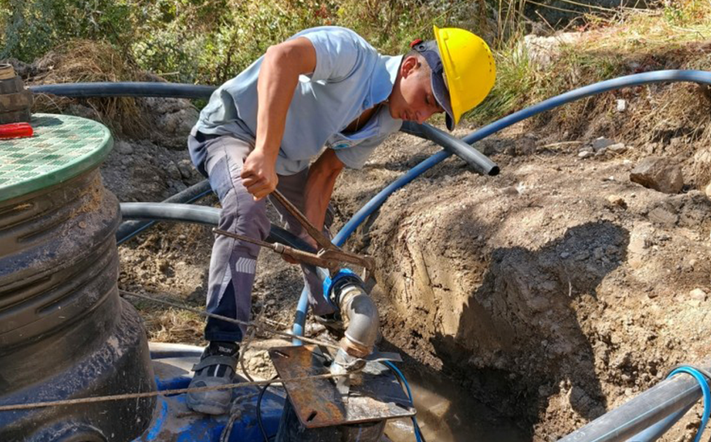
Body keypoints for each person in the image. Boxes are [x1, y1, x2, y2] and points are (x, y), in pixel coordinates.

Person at [186, 25, 496, 414]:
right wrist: (264, 150)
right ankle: (220, 349)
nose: (422, 115)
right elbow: (282, 57)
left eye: (435, 112)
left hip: (286, 162)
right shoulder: (351, 55)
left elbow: (325, 173)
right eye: (427, 99)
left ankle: (333, 319)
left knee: (319, 240)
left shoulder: (385, 122)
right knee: (246, 209)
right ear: (410, 67)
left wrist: (308, 241)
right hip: (232, 132)